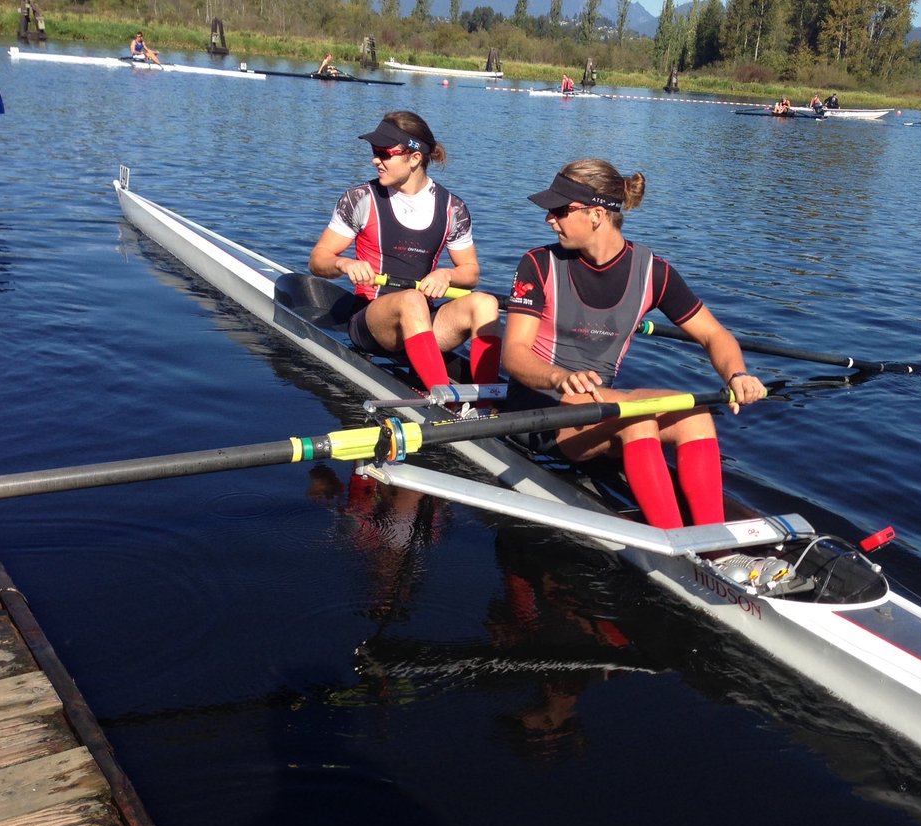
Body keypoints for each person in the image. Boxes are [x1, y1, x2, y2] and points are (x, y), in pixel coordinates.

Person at [502, 159, 767, 530]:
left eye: (560, 210)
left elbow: (714, 335)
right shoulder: (537, 264)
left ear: (596, 214)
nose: (549, 219)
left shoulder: (654, 272)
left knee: (696, 417)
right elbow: (513, 353)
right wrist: (559, 376)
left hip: (602, 407)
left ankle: (715, 541)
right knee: (637, 419)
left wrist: (737, 374)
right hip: (539, 408)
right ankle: (674, 544)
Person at [308, 111, 501, 393]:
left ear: (414, 158)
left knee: (485, 303)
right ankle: (442, 400)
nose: (376, 159)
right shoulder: (360, 199)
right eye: (375, 151)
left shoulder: (453, 208)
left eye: (385, 153)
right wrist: (343, 264)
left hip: (423, 322)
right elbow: (317, 260)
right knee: (411, 300)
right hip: (371, 324)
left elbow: (470, 273)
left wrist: (447, 275)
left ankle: (489, 401)